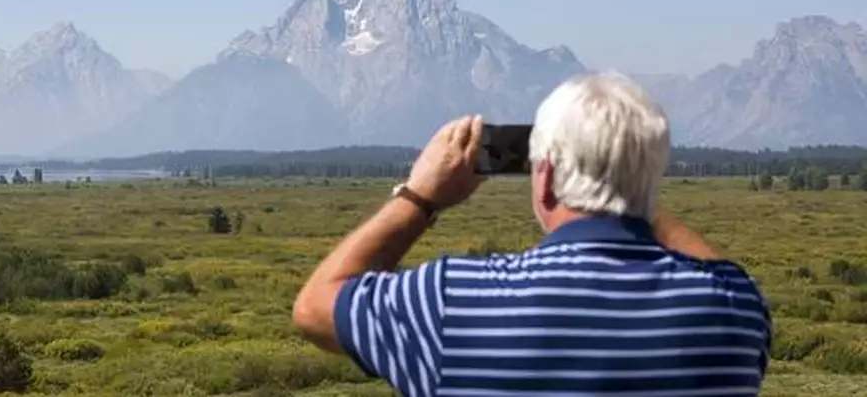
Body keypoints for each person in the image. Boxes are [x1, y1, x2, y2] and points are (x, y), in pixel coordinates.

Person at [293, 73, 772, 396]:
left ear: (543, 178)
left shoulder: (450, 300)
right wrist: (629, 185)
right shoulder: (734, 308)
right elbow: (716, 268)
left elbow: (315, 308)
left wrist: (421, 196)